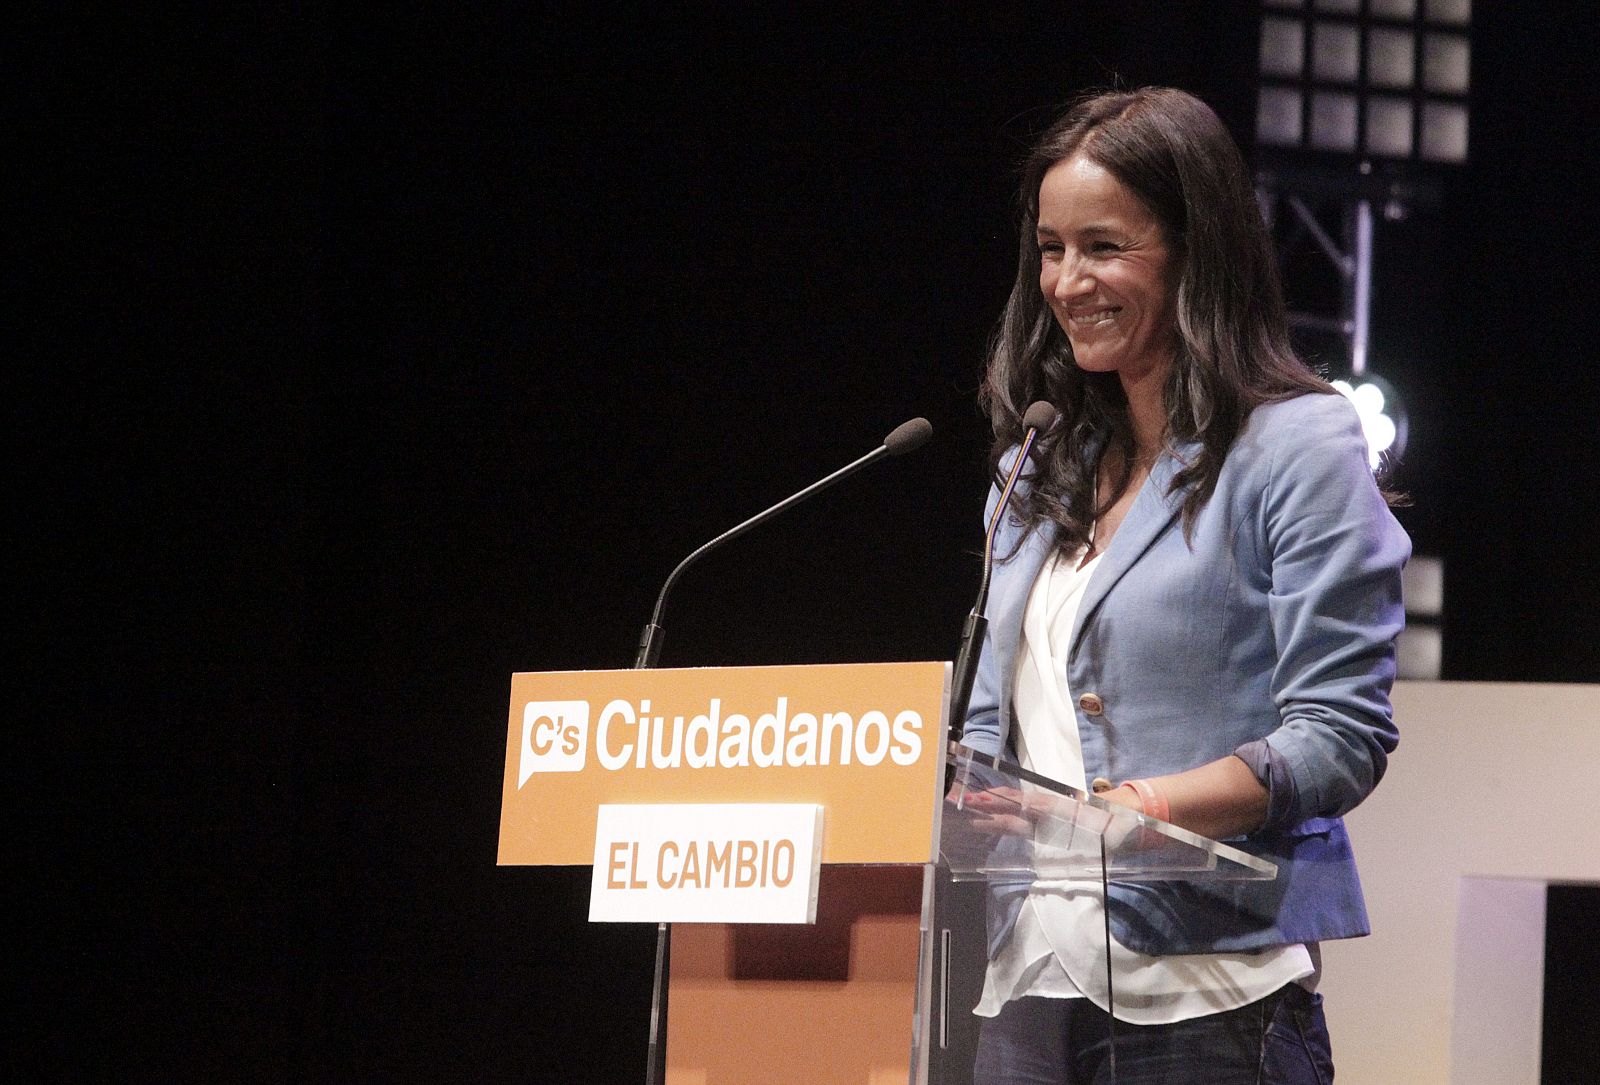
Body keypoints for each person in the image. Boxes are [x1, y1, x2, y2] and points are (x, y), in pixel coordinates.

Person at [957, 87, 1410, 1084]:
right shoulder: (1035, 466)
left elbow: (1340, 734)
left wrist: (1138, 805)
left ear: (1195, 247)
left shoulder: (1295, 443)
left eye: (1103, 246)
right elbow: (984, 745)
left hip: (1212, 993)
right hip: (1028, 987)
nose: (1066, 282)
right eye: (1049, 248)